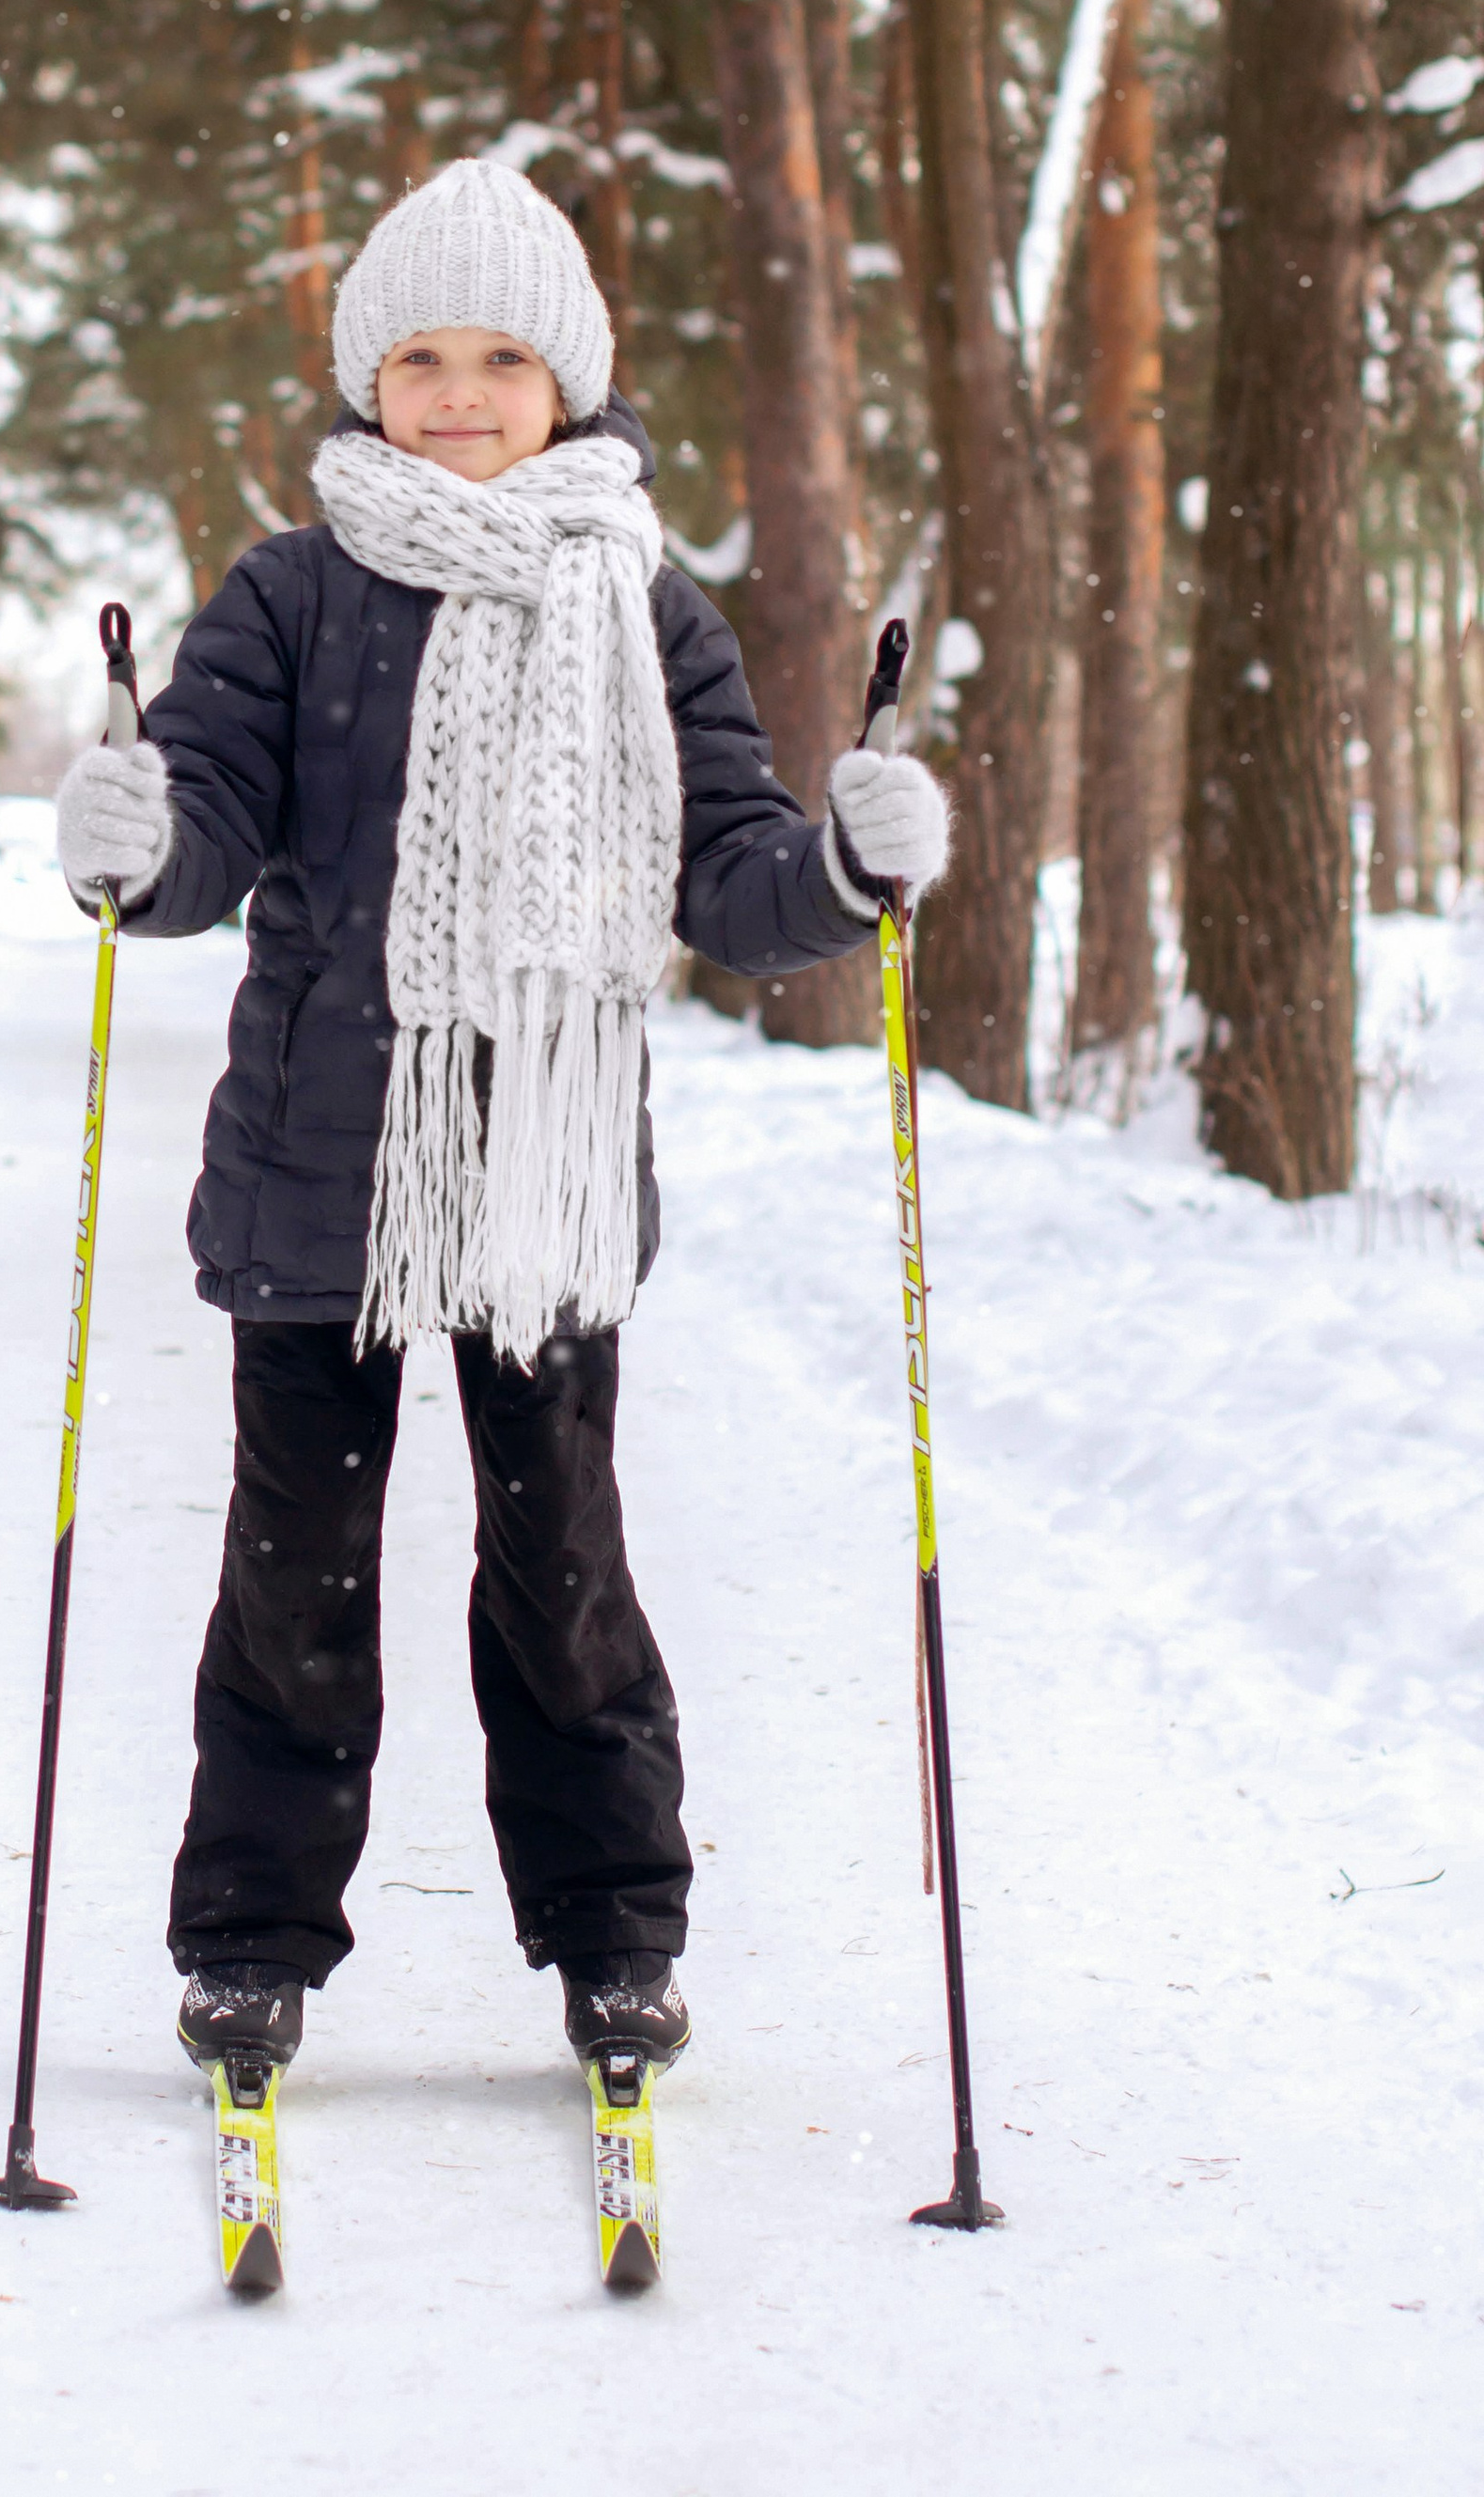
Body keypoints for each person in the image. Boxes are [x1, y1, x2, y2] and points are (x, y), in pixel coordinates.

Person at [52, 159, 948, 2095]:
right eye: (419, 357)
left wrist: (848, 875)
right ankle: (248, 1947)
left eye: (500, 359)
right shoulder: (288, 597)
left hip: (542, 1191)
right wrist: (132, 844)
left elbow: (725, 884)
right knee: (295, 1581)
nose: (457, 394)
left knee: (561, 1579)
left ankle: (616, 1937)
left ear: (571, 386)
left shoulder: (645, 608)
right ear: (368, 380)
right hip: (316, 1177)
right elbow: (201, 830)